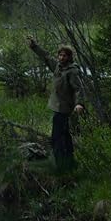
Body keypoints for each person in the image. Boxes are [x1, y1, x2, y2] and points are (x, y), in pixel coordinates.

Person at [27, 37, 87, 171]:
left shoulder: (72, 71)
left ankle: (60, 164)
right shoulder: (58, 67)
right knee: (65, 135)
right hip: (57, 107)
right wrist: (34, 46)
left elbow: (78, 89)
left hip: (65, 108)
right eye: (60, 55)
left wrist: (80, 104)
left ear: (69, 57)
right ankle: (69, 163)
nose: (61, 57)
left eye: (64, 55)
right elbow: (46, 57)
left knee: (57, 137)